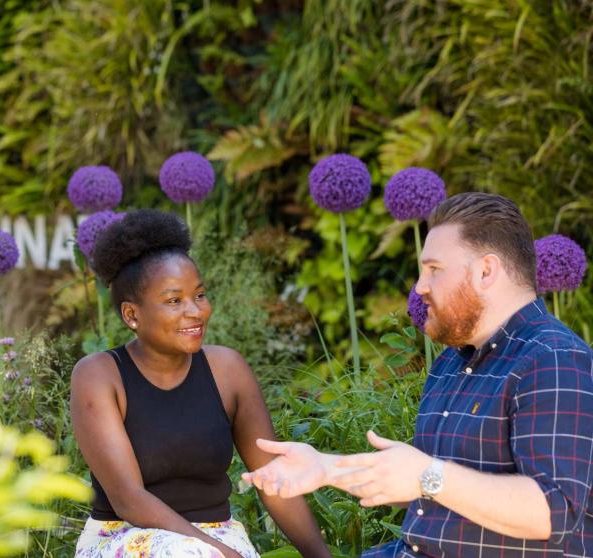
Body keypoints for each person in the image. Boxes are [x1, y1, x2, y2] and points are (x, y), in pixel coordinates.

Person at [242, 192, 593, 556]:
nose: (420, 286)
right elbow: (426, 485)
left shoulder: (552, 359)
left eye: (434, 269)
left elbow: (553, 513)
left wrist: (429, 475)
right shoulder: (451, 364)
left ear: (486, 271)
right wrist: (326, 468)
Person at [71, 209, 331, 558]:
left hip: (218, 538)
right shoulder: (99, 375)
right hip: (125, 537)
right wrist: (219, 553)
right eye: (174, 301)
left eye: (200, 295)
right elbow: (128, 499)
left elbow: (274, 480)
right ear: (132, 314)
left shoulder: (228, 370)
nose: (196, 311)